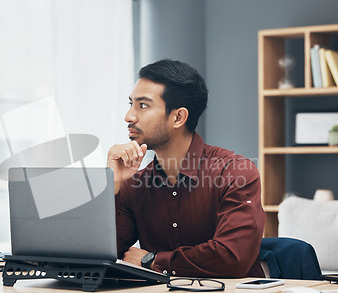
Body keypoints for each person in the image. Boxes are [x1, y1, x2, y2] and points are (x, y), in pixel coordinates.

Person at [107, 59, 265, 278]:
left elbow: (231, 257)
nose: (129, 117)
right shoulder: (134, 184)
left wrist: (151, 261)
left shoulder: (235, 173)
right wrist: (111, 185)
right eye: (130, 104)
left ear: (178, 117)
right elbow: (102, 252)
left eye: (142, 105)